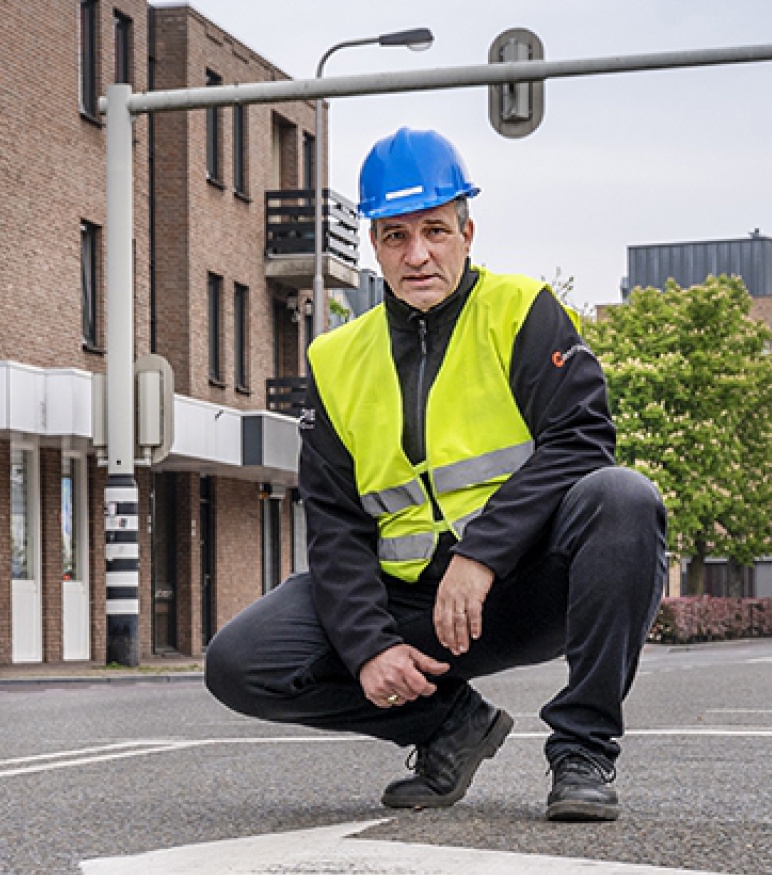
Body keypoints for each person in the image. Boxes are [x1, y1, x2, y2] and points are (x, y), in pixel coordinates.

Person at [205, 128, 668, 823]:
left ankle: (583, 749)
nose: (417, 254)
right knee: (239, 659)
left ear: (467, 230)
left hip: (531, 587)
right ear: (374, 244)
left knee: (624, 498)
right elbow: (336, 525)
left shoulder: (521, 311)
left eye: (434, 230)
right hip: (415, 606)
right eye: (395, 236)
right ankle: (449, 725)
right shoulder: (336, 360)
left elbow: (582, 438)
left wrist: (483, 552)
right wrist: (368, 646)